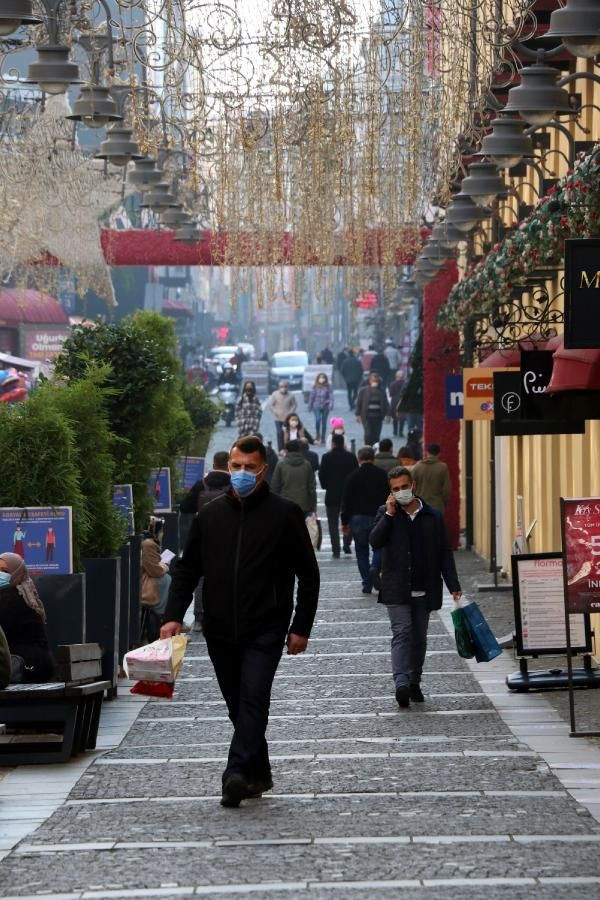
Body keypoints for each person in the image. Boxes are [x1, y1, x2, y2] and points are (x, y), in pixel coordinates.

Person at [161, 435, 320, 807]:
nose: (242, 473)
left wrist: (301, 627)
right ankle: (258, 772)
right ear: (228, 466)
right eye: (236, 466)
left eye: (250, 467)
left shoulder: (285, 515)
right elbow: (187, 570)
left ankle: (234, 774)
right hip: (219, 628)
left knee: (253, 698)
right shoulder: (210, 515)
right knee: (237, 704)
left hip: (266, 626)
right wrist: (172, 617)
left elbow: (308, 575)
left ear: (264, 469)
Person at [369, 466, 461, 707]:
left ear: (413, 486)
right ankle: (401, 683)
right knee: (402, 633)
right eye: (395, 489)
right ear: (390, 492)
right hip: (396, 587)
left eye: (404, 487)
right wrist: (389, 515)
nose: (401, 492)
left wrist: (453, 584)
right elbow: (375, 541)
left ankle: (414, 682)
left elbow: (444, 552)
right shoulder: (385, 513)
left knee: (419, 638)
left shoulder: (432, 515)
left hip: (424, 586)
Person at [179, 452, 232, 633]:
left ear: (213, 463)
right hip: (229, 537)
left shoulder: (201, 484)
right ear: (229, 464)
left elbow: (185, 507)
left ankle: (200, 618)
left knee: (201, 578)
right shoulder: (233, 485)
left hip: (204, 536)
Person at [0, 552, 54, 684]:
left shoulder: (12, 598)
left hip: (26, 665)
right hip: (39, 664)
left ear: (16, 573)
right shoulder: (25, 594)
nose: (1, 574)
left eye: (5, 571)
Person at [340, 446, 389, 593]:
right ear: (373, 458)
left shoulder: (352, 476)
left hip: (358, 518)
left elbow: (346, 501)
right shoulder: (383, 475)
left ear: (358, 459)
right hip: (379, 516)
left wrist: (345, 522)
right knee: (379, 547)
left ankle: (367, 583)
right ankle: (375, 566)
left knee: (361, 551)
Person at [319, 433, 359, 558]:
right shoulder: (351, 457)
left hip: (332, 494)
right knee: (349, 521)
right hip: (349, 495)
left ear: (333, 443)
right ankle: (347, 543)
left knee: (332, 524)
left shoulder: (326, 457)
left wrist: (326, 486)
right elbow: (356, 474)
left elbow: (322, 475)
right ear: (344, 443)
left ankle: (335, 549)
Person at [141, 517, 173, 640]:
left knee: (167, 579)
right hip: (147, 581)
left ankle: (163, 615)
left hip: (148, 577)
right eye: (162, 531)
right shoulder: (149, 544)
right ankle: (161, 615)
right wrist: (164, 566)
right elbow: (155, 570)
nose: (163, 534)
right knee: (166, 579)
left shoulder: (149, 543)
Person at [271, 439, 317, 516]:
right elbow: (311, 488)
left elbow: (275, 486)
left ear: (286, 450)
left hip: (285, 504)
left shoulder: (281, 464)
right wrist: (313, 505)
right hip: (303, 506)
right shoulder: (306, 465)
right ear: (299, 449)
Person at [411, 443, 451, 513]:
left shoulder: (417, 467)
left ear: (427, 452)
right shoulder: (443, 467)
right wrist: (443, 503)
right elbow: (446, 490)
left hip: (420, 504)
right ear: (439, 454)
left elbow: (410, 486)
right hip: (437, 504)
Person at [355, 372, 390, 446]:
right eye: (373, 380)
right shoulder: (363, 391)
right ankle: (367, 448)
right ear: (370, 381)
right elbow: (359, 403)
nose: (375, 382)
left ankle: (375, 449)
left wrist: (387, 414)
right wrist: (357, 414)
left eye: (376, 381)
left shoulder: (382, 391)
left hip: (378, 417)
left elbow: (386, 404)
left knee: (376, 435)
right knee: (368, 433)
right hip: (367, 416)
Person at [268, 381, 297, 451]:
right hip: (277, 418)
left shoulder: (291, 395)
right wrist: (275, 412)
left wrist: (291, 412)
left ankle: (287, 448)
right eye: (281, 386)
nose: (283, 388)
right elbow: (271, 405)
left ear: (287, 387)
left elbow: (294, 404)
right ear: (279, 387)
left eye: (285, 386)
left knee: (287, 433)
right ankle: (280, 449)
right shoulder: (275, 394)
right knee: (279, 433)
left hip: (287, 417)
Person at [308, 372, 334, 444]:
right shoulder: (315, 386)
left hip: (325, 406)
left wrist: (331, 405)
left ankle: (323, 437)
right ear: (318, 379)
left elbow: (331, 396)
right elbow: (311, 396)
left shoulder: (328, 386)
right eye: (320, 377)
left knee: (324, 422)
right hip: (316, 405)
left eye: (323, 377)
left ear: (325, 379)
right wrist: (310, 406)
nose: (321, 379)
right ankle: (317, 434)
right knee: (318, 419)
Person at [388, 370, 406, 438]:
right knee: (402, 418)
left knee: (395, 418)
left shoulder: (393, 384)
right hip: (402, 401)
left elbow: (390, 393)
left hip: (395, 401)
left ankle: (395, 432)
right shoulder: (405, 383)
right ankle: (400, 432)